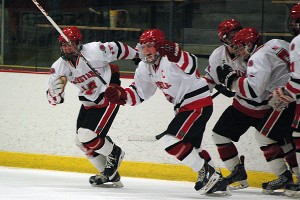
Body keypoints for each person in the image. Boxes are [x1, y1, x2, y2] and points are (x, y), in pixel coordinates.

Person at [103, 29, 229, 195]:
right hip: (185, 107)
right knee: (192, 148)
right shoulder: (144, 67)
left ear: (160, 47)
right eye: (143, 47)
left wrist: (176, 54)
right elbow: (140, 93)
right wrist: (121, 94)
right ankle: (217, 179)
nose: (146, 50)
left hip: (197, 104)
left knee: (170, 141)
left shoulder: (171, 59)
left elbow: (191, 64)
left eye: (150, 46)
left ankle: (209, 173)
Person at [46, 26, 137, 187]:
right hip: (89, 100)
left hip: (108, 94)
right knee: (81, 141)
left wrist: (136, 56)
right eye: (64, 45)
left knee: (87, 135)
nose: (67, 48)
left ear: (79, 43)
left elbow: (119, 48)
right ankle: (110, 175)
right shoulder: (59, 66)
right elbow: (53, 100)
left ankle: (115, 153)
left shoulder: (95, 50)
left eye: (71, 44)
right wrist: (55, 93)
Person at [216, 27, 299, 194]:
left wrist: (231, 80)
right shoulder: (276, 43)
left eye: (240, 47)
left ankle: (288, 177)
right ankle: (289, 177)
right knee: (285, 137)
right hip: (292, 95)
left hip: (286, 98)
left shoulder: (257, 58)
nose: (238, 51)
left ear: (249, 44)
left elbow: (254, 91)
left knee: (265, 136)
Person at [203, 19, 249, 190]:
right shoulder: (218, 56)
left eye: (237, 32)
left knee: (274, 140)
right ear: (224, 38)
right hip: (242, 105)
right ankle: (239, 176)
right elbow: (209, 81)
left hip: (266, 104)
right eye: (231, 34)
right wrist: (195, 98)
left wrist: (234, 84)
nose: (236, 37)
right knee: (219, 134)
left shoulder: (250, 51)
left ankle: (288, 177)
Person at [268, 3, 300, 196]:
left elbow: (298, 81)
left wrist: (284, 93)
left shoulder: (298, 42)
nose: (294, 24)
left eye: (297, 20)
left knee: (298, 137)